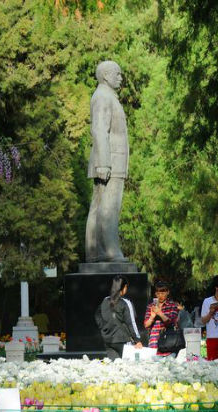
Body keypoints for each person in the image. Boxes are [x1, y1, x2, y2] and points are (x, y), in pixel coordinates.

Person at [86, 60, 129, 263]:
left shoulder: (106, 96)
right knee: (109, 206)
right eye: (117, 74)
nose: (121, 77)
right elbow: (99, 129)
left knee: (99, 205)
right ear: (105, 76)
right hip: (110, 160)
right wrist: (104, 163)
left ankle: (94, 252)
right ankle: (109, 251)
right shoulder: (103, 96)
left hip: (109, 160)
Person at [96, 275, 143, 360]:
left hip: (108, 340)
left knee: (115, 367)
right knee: (127, 367)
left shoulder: (105, 300)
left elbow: (97, 316)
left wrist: (103, 328)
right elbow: (131, 323)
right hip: (123, 340)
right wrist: (138, 340)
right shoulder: (126, 303)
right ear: (124, 287)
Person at [143, 280, 181, 356]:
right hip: (154, 341)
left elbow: (171, 322)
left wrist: (160, 313)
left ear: (168, 292)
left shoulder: (172, 305)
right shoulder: (151, 306)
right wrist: (152, 316)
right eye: (158, 293)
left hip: (169, 341)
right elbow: (146, 325)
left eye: (163, 293)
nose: (160, 295)